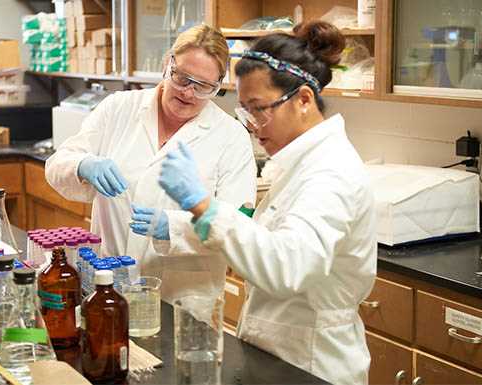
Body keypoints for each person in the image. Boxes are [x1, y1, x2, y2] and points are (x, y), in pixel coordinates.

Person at [132, 21, 376, 384]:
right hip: (278, 352)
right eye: (244, 112)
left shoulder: (330, 173)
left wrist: (202, 205)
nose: (253, 126)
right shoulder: (299, 164)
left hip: (312, 362)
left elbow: (286, 267)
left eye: (259, 109)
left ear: (304, 99)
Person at [45, 24, 257, 302]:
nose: (189, 93)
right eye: (182, 78)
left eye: (204, 86)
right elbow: (57, 163)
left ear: (218, 86)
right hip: (108, 284)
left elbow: (235, 225)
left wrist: (174, 226)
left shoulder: (231, 137)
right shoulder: (119, 108)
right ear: (167, 65)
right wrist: (83, 164)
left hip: (182, 298)